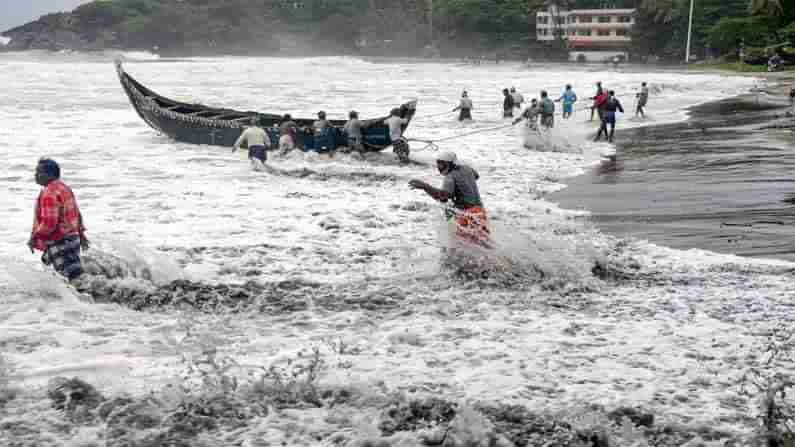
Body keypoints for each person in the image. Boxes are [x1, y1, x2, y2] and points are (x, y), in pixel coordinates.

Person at [408, 151, 490, 248]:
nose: (439, 167)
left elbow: (443, 197)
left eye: (442, 164)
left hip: (467, 216)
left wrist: (425, 186)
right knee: (484, 244)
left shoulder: (450, 177)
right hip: (480, 212)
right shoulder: (467, 168)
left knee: (465, 248)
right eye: (438, 164)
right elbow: (476, 176)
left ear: (451, 164)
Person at [28, 158, 89, 281]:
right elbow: (77, 213)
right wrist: (81, 234)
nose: (35, 175)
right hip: (72, 239)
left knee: (73, 281)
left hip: (60, 242)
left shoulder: (49, 193)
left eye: (39, 172)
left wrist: (34, 237)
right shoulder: (64, 188)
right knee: (53, 269)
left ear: (50, 174)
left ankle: (90, 297)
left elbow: (49, 223)